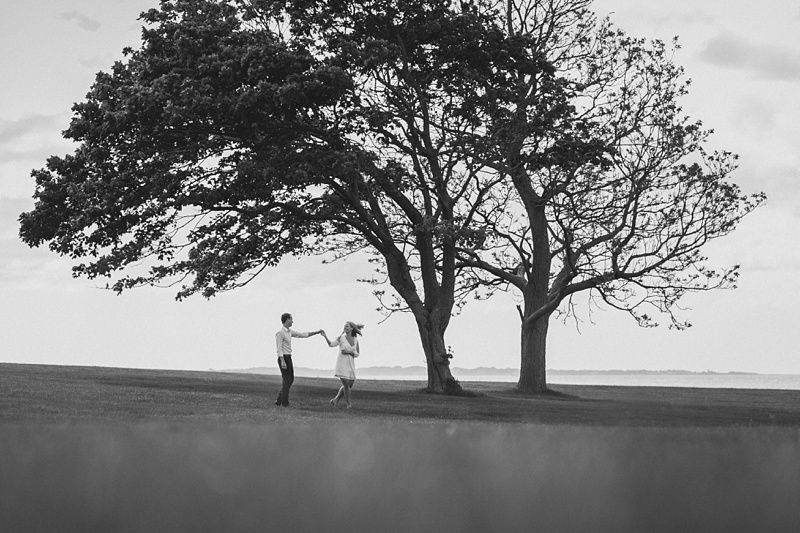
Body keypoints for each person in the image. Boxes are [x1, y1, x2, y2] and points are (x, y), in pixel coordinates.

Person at [275, 313, 323, 407]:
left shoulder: (290, 332)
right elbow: (279, 348)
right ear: (287, 319)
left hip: (288, 357)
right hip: (283, 358)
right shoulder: (280, 333)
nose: (292, 321)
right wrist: (282, 360)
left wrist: (317, 332)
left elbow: (303, 335)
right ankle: (284, 403)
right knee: (287, 380)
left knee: (289, 380)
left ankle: (279, 401)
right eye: (291, 319)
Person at [322, 321, 363, 409]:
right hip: (341, 364)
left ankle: (335, 400)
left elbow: (357, 354)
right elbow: (331, 344)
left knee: (350, 384)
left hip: (350, 364)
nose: (345, 327)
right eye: (344, 326)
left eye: (347, 326)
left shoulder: (355, 340)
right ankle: (349, 404)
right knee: (346, 384)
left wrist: (349, 352)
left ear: (352, 328)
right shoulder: (341, 338)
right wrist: (325, 336)